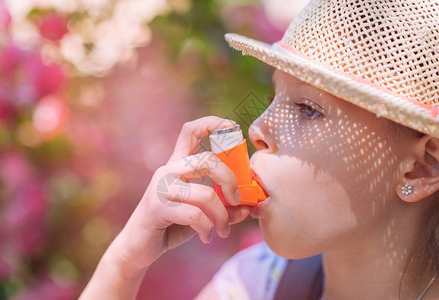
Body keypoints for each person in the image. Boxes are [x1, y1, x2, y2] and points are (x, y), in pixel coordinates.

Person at [80, 0, 439, 299]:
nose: (257, 129)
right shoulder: (255, 284)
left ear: (420, 168)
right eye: (272, 98)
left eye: (307, 109)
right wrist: (125, 264)